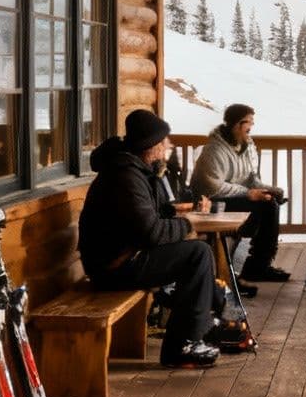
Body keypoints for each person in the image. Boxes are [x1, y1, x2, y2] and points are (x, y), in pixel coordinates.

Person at [82, 110, 227, 368]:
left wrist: (177, 211)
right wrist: (187, 224)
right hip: (114, 266)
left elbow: (148, 214)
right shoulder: (125, 176)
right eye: (163, 141)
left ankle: (203, 325)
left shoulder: (133, 170)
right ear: (150, 146)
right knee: (198, 254)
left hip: (122, 257)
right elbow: (150, 232)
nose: (167, 146)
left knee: (196, 253)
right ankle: (182, 346)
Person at [188, 103, 291, 284]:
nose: (252, 126)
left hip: (233, 197)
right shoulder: (216, 150)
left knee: (270, 203)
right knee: (266, 207)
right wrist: (247, 193)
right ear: (237, 124)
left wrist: (268, 189)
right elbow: (212, 187)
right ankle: (254, 267)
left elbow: (251, 179)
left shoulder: (247, 145)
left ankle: (259, 266)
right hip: (210, 203)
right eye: (249, 122)